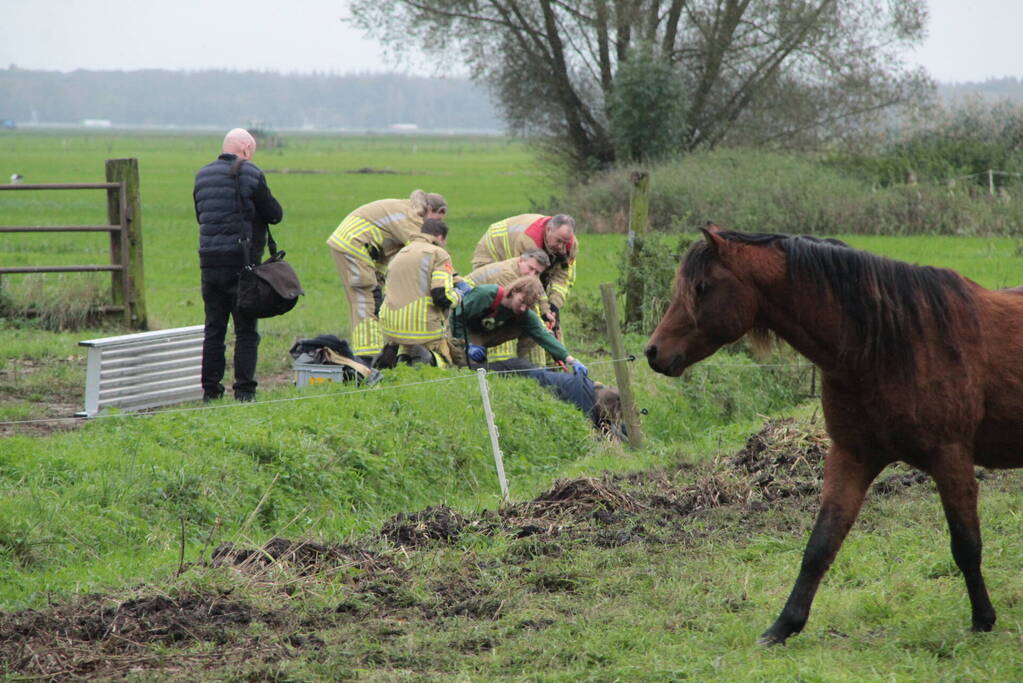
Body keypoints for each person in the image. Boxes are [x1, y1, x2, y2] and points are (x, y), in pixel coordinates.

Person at [194, 127, 283, 402]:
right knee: (245, 331)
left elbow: (201, 215)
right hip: (241, 265)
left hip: (209, 262)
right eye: (251, 152)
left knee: (214, 330)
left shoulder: (202, 175)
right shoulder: (250, 172)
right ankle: (245, 392)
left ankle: (211, 393)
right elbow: (274, 214)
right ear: (245, 149)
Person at [326, 190, 448, 363]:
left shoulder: (407, 209)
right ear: (431, 209)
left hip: (361, 248)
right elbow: (426, 251)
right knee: (366, 297)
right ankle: (367, 358)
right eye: (437, 220)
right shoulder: (411, 217)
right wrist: (453, 277)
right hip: (354, 245)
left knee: (377, 299)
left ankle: (383, 355)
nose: (435, 228)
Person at [471, 213, 578, 363]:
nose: (561, 246)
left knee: (543, 315)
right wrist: (540, 314)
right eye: (558, 241)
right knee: (510, 306)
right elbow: (525, 284)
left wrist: (553, 306)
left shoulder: (569, 245)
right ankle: (501, 363)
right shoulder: (527, 241)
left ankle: (543, 364)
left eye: (564, 242)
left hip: (528, 265)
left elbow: (562, 277)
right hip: (494, 252)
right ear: (548, 230)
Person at [449, 275, 587, 376]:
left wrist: (571, 360)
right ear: (514, 291)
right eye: (521, 301)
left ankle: (525, 369)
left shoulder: (524, 314)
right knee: (465, 368)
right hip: (460, 331)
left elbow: (543, 336)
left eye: (528, 306)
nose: (522, 308)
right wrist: (466, 344)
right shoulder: (486, 294)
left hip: (483, 335)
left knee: (532, 328)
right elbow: (456, 317)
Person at [375, 219, 464, 368]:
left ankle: (400, 358)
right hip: (422, 327)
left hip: (390, 326)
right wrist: (458, 295)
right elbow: (441, 296)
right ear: (441, 237)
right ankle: (431, 360)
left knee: (406, 343)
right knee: (445, 356)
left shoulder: (400, 253)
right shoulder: (439, 253)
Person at [463, 248, 550, 288]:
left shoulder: (524, 271)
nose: (532, 275)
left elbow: (538, 291)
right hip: (464, 297)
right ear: (521, 261)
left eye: (537, 273)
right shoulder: (508, 275)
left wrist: (546, 313)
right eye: (530, 268)